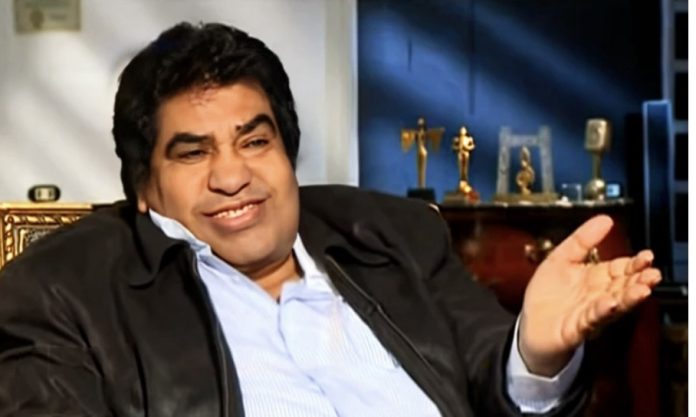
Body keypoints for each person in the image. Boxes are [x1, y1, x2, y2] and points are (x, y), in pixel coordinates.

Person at [0, 22, 660, 417]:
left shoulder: (392, 235)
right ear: (145, 187)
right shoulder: (64, 292)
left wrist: (535, 352)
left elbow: (494, 378)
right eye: (193, 153)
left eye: (255, 141)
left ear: (287, 152)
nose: (232, 175)